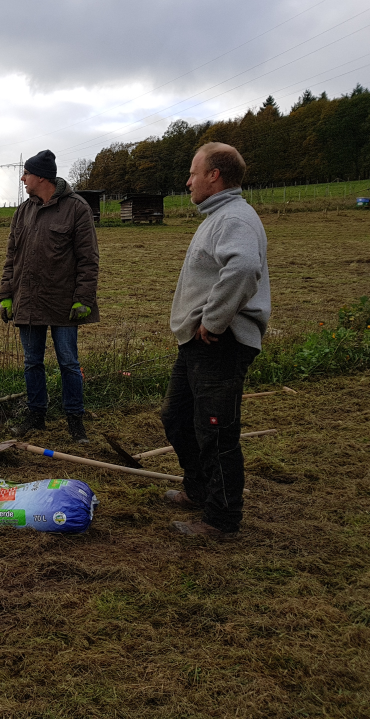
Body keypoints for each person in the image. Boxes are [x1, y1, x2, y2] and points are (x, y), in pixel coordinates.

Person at [161, 142, 270, 538]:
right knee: (177, 419)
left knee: (216, 430)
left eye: (194, 172)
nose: (188, 180)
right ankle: (199, 490)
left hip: (218, 343)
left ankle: (222, 520)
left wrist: (215, 320)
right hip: (199, 341)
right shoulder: (218, 216)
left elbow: (243, 267)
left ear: (214, 176)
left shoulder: (234, 218)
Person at [0, 149, 99, 443]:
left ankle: (75, 420)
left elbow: (88, 259)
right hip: (28, 301)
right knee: (32, 362)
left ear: (41, 177)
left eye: (26, 174)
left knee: (68, 362)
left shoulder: (77, 209)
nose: (22, 178)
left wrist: (84, 298)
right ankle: (36, 415)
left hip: (64, 302)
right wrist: (6, 294)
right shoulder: (23, 211)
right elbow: (11, 256)